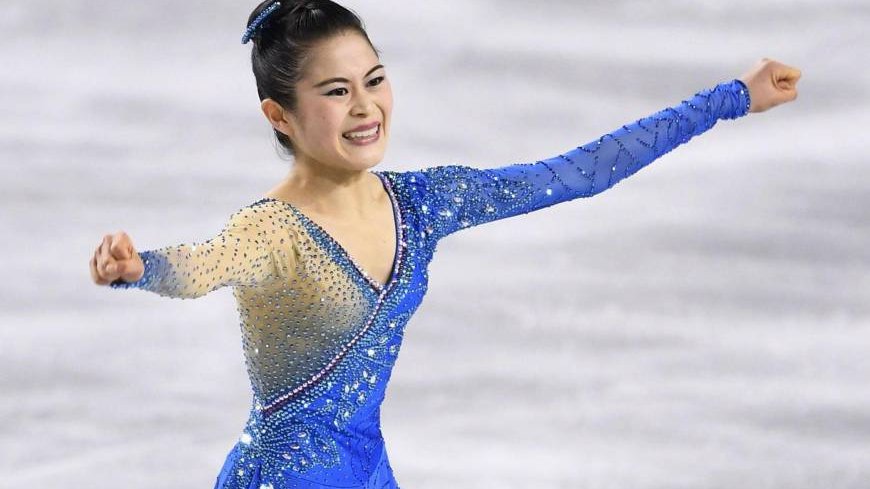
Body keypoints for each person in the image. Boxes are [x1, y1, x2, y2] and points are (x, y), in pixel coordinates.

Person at [89, 1, 802, 487]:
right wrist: (138, 266)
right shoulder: (270, 228)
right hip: (291, 475)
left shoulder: (422, 203)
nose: (366, 106)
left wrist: (732, 97)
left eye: (373, 80)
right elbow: (201, 266)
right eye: (336, 91)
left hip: (367, 467)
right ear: (279, 114)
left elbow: (576, 174)